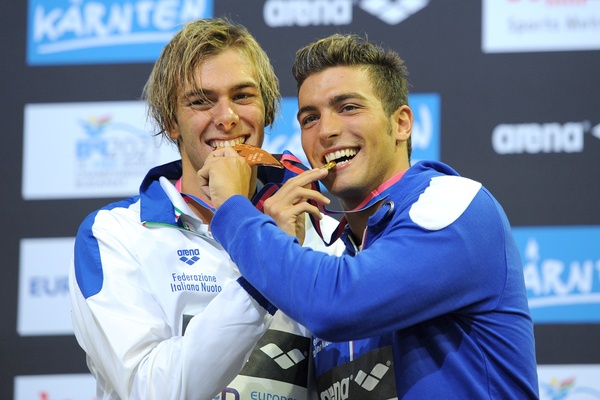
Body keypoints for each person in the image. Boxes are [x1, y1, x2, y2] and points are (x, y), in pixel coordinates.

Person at [198, 34, 540, 399]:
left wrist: (235, 208)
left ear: (402, 123)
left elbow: (336, 303)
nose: (327, 131)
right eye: (310, 118)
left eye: (348, 107)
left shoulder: (454, 205)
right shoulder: (348, 257)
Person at [68, 18, 344, 400]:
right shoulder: (117, 235)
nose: (227, 117)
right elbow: (151, 391)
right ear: (170, 122)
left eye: (243, 96)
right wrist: (266, 261)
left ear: (267, 110)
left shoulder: (316, 228)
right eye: (201, 101)